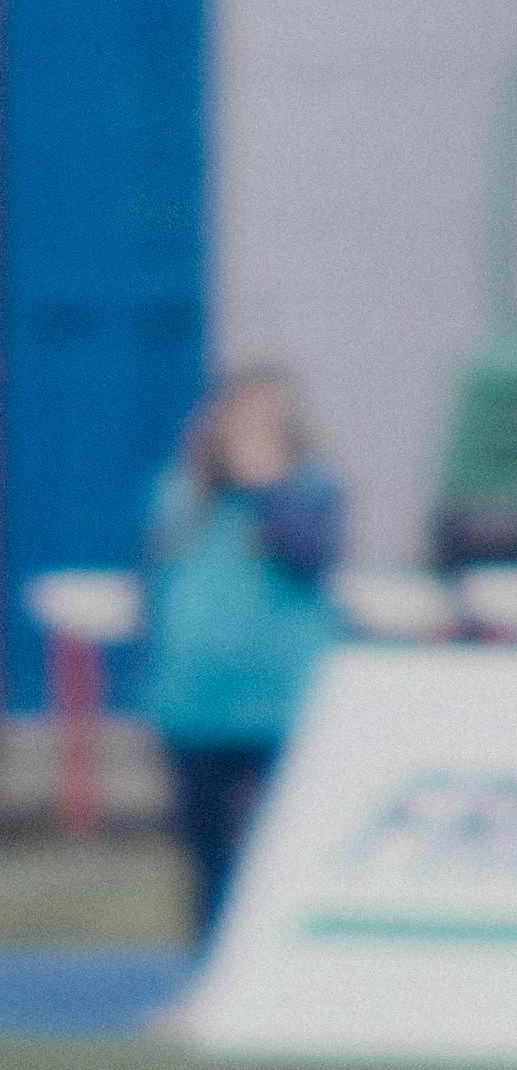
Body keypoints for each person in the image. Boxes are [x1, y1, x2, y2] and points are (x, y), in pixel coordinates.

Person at [139, 365, 345, 949]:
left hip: (281, 704)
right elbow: (156, 587)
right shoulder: (181, 494)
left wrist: (271, 490)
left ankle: (279, 959)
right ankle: (209, 960)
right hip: (195, 703)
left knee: (280, 846)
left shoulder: (312, 493)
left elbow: (311, 556)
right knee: (206, 850)